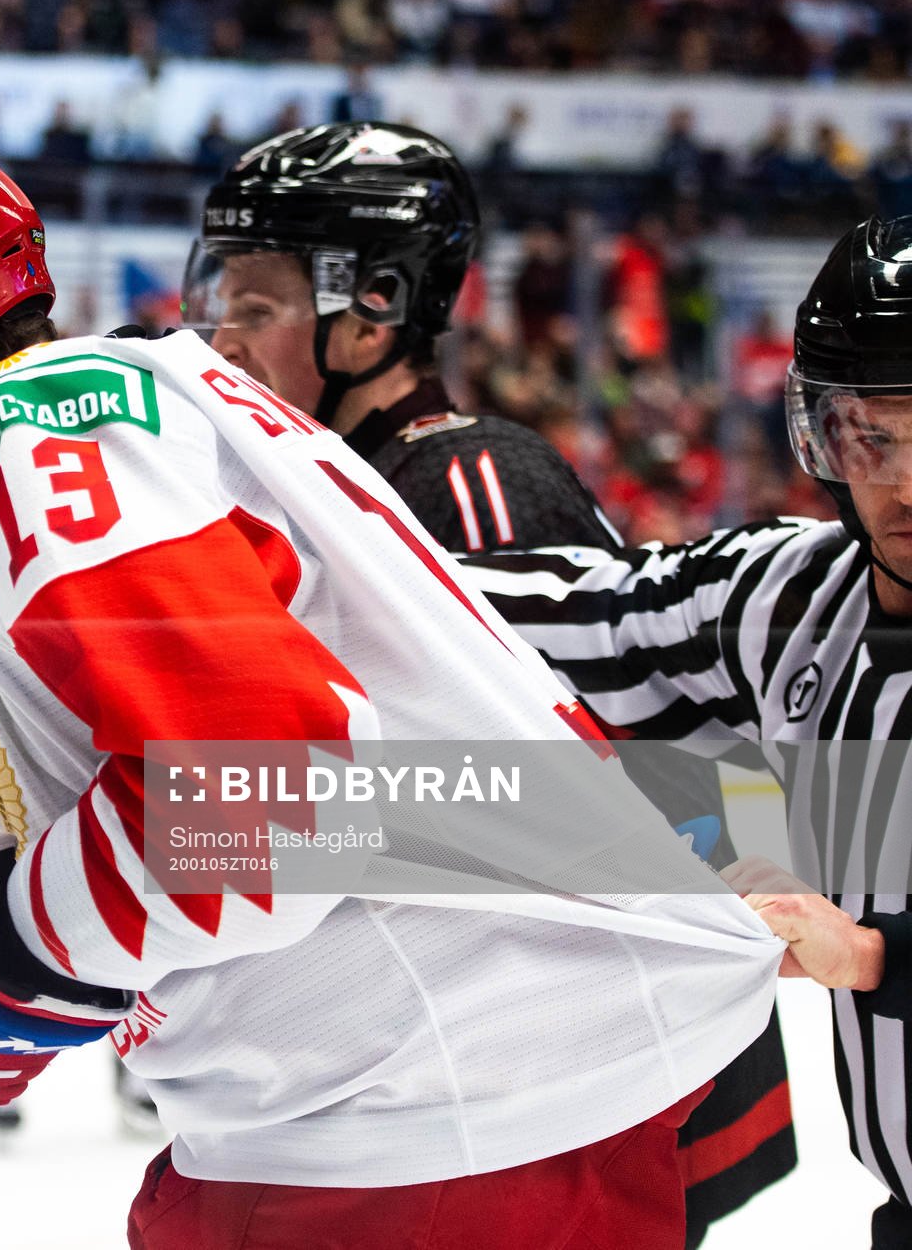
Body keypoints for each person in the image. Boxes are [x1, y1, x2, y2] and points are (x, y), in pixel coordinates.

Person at [0, 132, 782, 1247]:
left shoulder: (23, 422)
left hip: (424, 1133)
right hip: (443, 1115)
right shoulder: (126, 408)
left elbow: (261, 808)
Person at [185, 121, 797, 1239]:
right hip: (466, 1110)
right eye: (217, 303)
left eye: (257, 309)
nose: (219, 343)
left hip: (559, 1116)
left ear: (373, 308)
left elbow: (609, 812)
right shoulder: (337, 488)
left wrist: (224, 829)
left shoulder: (469, 486)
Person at [461, 213, 912, 1250]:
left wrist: (878, 951)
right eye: (869, 437)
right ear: (819, 434)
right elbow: (590, 615)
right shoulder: (797, 589)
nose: (902, 484)